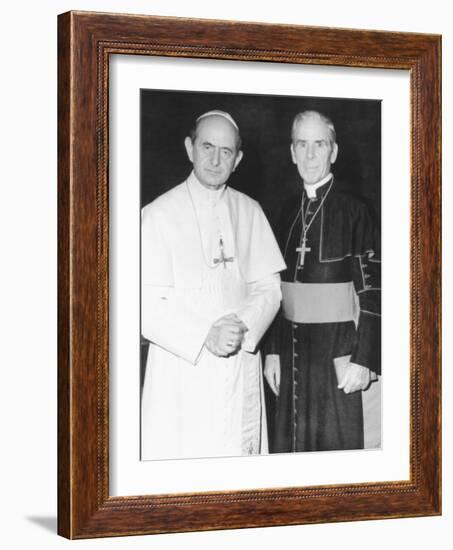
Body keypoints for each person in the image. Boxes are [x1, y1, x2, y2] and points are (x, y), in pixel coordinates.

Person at [141, 110, 286, 460]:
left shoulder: (250, 211)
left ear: (237, 160)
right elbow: (140, 303)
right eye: (207, 147)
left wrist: (241, 327)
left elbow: (270, 289)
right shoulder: (157, 214)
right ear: (190, 147)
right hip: (181, 372)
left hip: (239, 365)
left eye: (226, 151)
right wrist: (205, 333)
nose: (215, 159)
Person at [264, 110, 381, 452]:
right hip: (291, 352)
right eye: (302, 144)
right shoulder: (285, 211)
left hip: (338, 352)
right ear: (291, 152)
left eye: (319, 144)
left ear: (334, 151)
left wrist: (365, 358)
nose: (310, 154)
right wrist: (272, 353)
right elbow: (276, 288)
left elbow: (374, 290)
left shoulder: (355, 210)